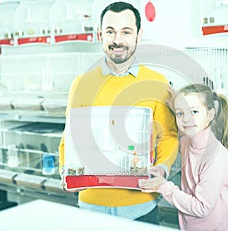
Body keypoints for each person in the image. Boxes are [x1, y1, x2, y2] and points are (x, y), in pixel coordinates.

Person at [58, 1, 179, 225]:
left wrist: (162, 168)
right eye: (110, 31)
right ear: (100, 34)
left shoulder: (158, 83)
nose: (117, 40)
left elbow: (169, 135)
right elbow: (69, 135)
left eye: (126, 32)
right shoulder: (81, 83)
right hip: (90, 205)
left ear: (139, 35)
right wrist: (65, 169)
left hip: (140, 206)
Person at [139, 83, 228, 231]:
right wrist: (177, 106)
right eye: (181, 113)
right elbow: (176, 134)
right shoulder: (187, 141)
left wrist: (163, 186)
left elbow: (202, 207)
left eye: (194, 112)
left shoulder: (216, 157)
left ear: (210, 114)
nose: (186, 119)